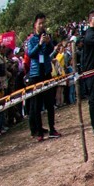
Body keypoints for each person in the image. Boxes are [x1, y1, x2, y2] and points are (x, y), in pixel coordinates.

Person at [25, 13, 62, 141]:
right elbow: (30, 54)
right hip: (35, 74)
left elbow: (49, 51)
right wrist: (40, 44)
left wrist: (49, 43)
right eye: (40, 23)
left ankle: (52, 128)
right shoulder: (31, 40)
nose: (42, 26)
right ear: (35, 24)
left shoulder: (46, 36)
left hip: (46, 72)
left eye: (43, 23)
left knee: (49, 102)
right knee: (36, 105)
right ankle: (39, 132)